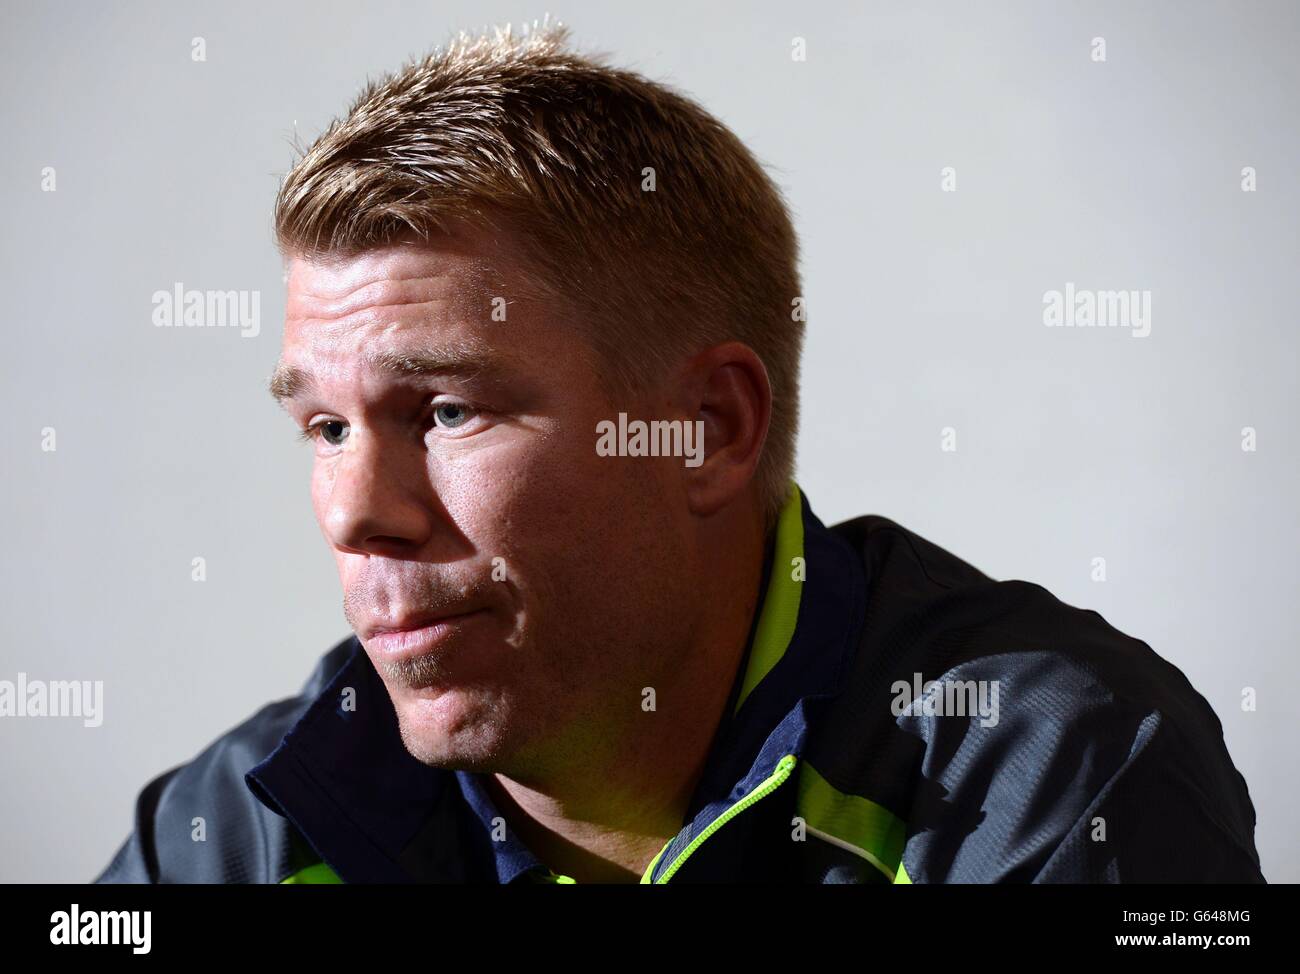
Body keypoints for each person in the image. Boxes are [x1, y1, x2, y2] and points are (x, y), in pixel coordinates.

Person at [95, 21, 1265, 884]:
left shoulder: (1058, 770)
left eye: (445, 412)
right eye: (326, 427)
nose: (356, 511)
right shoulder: (234, 828)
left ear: (707, 429)